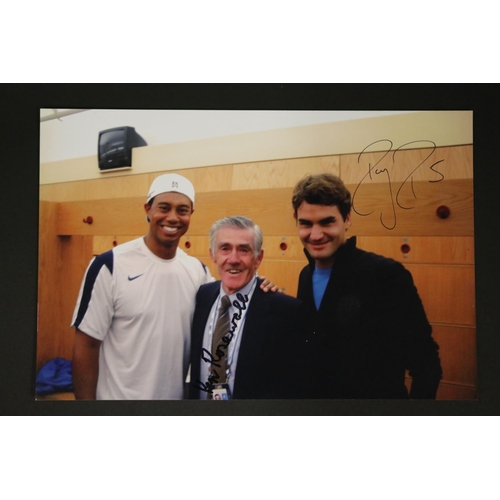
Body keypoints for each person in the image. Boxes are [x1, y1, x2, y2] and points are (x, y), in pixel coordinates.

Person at [71, 174, 275, 400]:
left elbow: (230, 298)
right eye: (164, 208)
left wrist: (260, 285)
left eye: (182, 210)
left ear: (191, 214)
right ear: (148, 209)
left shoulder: (197, 271)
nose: (172, 217)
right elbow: (86, 346)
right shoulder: (109, 265)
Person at [292, 173, 442, 399]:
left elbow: (426, 363)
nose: (315, 234)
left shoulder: (386, 274)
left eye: (327, 221)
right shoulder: (306, 274)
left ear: (347, 219)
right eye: (306, 223)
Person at [189, 216, 304, 400]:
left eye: (244, 250)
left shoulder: (286, 312)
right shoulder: (202, 296)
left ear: (258, 258)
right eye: (225, 248)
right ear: (213, 255)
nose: (233, 259)